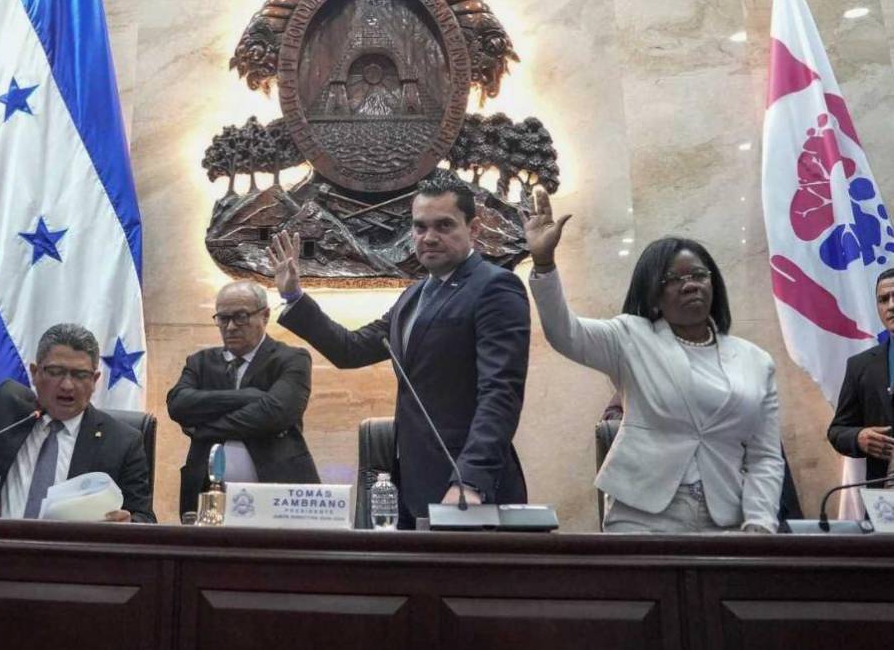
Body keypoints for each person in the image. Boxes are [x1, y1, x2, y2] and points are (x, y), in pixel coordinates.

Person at [270, 173, 531, 527]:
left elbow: (500, 393)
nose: (429, 237)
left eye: (444, 225)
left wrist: (470, 479)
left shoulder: (496, 287)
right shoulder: (415, 295)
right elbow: (350, 350)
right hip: (412, 483)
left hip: (467, 490)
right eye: (420, 227)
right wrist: (293, 296)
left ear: (474, 228)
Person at [525, 188, 782, 533]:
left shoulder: (756, 361)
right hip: (642, 516)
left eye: (699, 275)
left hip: (727, 518)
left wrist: (760, 521)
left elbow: (765, 456)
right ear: (654, 296)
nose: (690, 285)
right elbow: (565, 333)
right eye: (673, 280)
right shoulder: (631, 337)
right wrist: (544, 264)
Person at [0, 244, 155, 523]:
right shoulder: (5, 410)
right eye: (56, 372)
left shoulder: (122, 442)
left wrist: (126, 524)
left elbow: (145, 519)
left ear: (95, 379)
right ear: (35, 373)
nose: (67, 385)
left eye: (80, 375)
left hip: (70, 551)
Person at [167, 280, 320, 516]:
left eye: (240, 317)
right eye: (223, 318)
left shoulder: (291, 359)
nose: (230, 327)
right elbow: (178, 405)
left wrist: (204, 429)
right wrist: (248, 397)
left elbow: (275, 414)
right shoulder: (200, 362)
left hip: (280, 494)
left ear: (265, 315)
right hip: (206, 496)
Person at [827, 267, 894, 485]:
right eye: (883, 300)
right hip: (886, 493)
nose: (891, 305)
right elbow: (837, 430)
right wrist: (858, 438)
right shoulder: (861, 366)